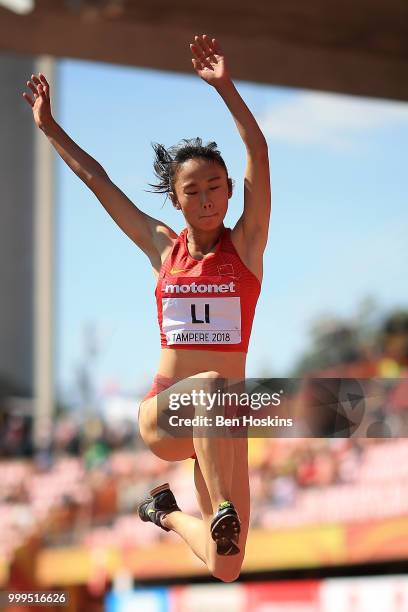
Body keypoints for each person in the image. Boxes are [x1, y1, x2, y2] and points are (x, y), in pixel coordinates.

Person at [23, 33, 271, 582]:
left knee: (227, 565)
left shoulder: (246, 246)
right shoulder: (164, 248)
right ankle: (222, 509)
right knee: (209, 385)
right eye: (192, 191)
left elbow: (259, 152)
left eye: (215, 187)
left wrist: (225, 88)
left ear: (230, 191)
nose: (206, 199)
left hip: (222, 425)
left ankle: (164, 511)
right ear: (176, 199)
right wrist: (48, 127)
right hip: (166, 414)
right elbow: (98, 181)